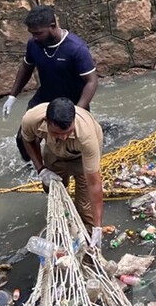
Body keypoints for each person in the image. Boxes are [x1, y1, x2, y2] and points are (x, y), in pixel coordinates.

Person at [2, 6, 98, 161]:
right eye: (32, 33)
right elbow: (27, 67)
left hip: (71, 103)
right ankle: (35, 169)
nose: (34, 37)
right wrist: (13, 95)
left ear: (53, 26)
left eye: (38, 33)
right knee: (23, 138)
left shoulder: (76, 48)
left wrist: (78, 112)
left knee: (69, 144)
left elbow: (91, 81)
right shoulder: (34, 44)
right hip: (44, 97)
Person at [21, 97, 111, 233]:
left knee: (85, 206)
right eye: (57, 133)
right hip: (53, 150)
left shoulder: (87, 137)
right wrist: (41, 169)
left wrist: (98, 228)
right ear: (46, 120)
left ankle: (88, 235)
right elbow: (28, 140)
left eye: (67, 132)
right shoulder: (31, 119)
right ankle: (65, 223)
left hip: (80, 156)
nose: (63, 137)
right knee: (52, 190)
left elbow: (94, 185)